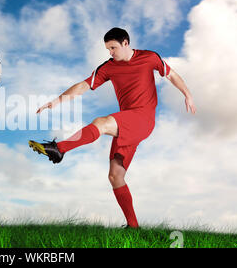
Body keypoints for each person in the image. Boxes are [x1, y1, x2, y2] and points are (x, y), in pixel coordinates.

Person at [28, 27, 196, 228]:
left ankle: (60, 149)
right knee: (115, 176)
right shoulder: (108, 67)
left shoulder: (149, 57)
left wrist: (187, 94)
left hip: (143, 118)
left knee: (101, 122)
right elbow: (83, 85)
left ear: (126, 43)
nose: (111, 53)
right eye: (108, 49)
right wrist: (57, 100)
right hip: (126, 123)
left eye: (113, 47)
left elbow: (172, 75)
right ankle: (133, 227)